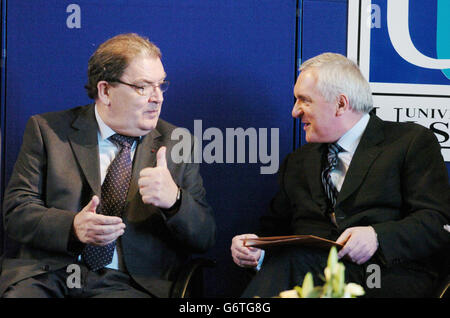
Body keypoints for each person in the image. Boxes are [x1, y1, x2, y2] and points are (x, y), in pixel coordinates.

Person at [0, 33, 216, 298]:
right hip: (50, 273)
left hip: (127, 283)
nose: (157, 97)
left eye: (160, 85)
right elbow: (17, 213)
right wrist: (72, 227)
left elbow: (204, 237)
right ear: (105, 91)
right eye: (142, 87)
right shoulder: (48, 131)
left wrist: (175, 201)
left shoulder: (178, 144)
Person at [231, 53, 450, 298]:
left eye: (304, 100)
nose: (294, 112)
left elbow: (437, 222)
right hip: (310, 275)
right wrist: (256, 250)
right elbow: (275, 232)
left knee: (294, 264)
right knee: (293, 265)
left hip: (382, 275)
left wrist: (377, 237)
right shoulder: (297, 162)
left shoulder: (409, 142)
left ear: (341, 104)